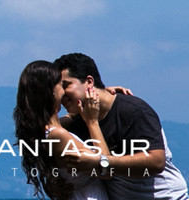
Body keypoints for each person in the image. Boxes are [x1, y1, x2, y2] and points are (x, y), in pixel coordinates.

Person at [55, 52, 189, 200]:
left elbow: (156, 161)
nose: (62, 94)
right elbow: (43, 127)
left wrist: (101, 162)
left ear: (89, 81)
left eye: (66, 85)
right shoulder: (79, 122)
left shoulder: (133, 110)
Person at [15, 59, 110, 199]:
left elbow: (71, 115)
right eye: (61, 84)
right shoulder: (59, 135)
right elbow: (106, 169)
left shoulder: (48, 130)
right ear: (51, 91)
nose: (64, 91)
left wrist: (101, 94)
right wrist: (92, 122)